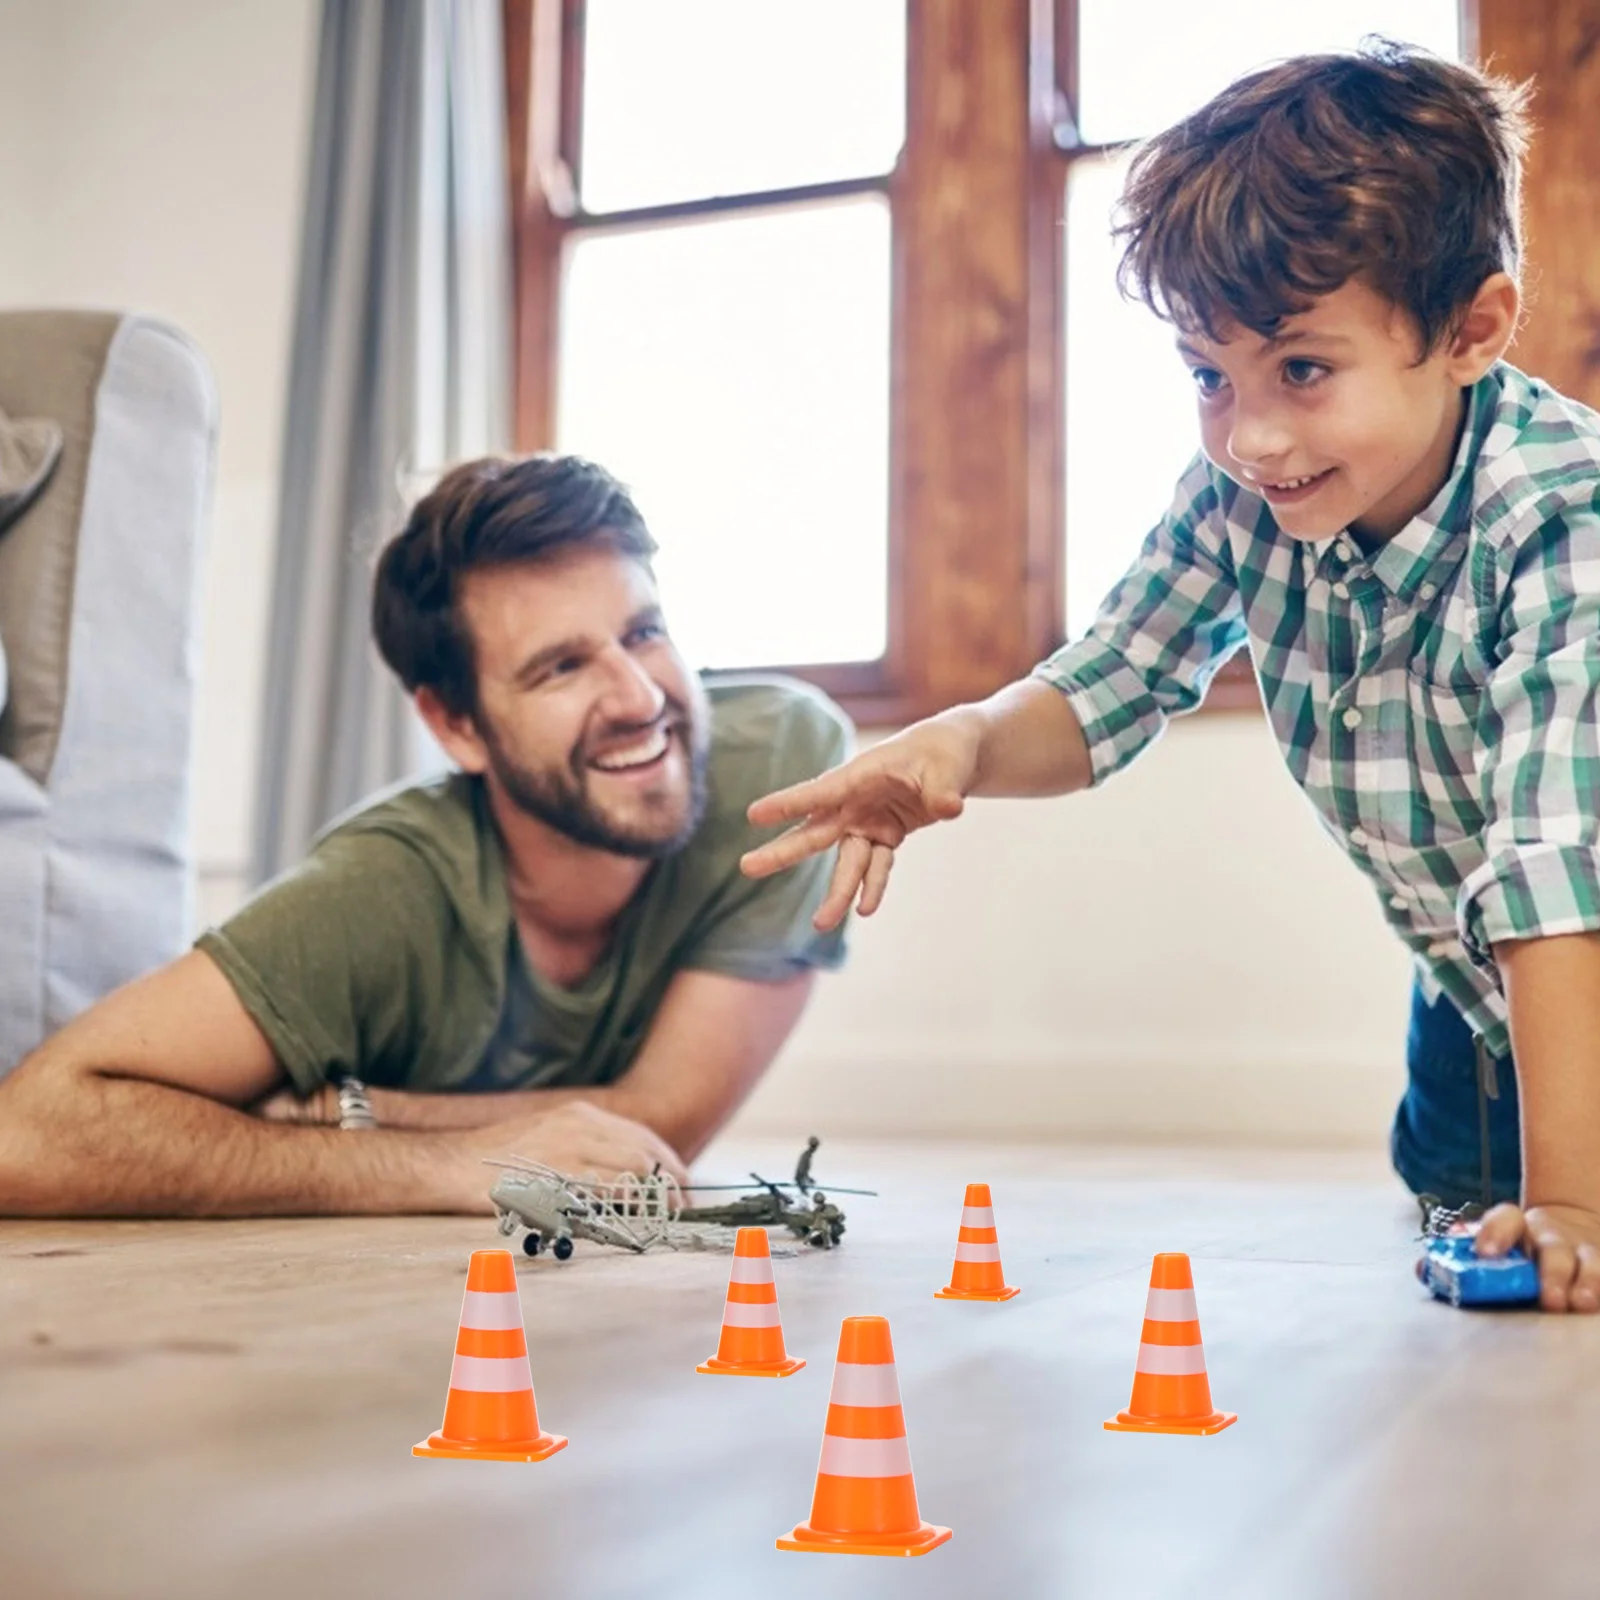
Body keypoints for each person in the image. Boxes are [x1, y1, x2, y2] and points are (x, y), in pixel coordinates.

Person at [742, 43, 1600, 1313]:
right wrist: (963, 742)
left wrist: (1574, 1199)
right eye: (1210, 376)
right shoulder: (1246, 497)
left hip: (1568, 939)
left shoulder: (1560, 514)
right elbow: (1111, 683)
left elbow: (1553, 868)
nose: (1249, 436)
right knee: (1462, 1236)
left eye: (1302, 369)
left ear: (1470, 328)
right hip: (1479, 1000)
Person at [0, 454, 851, 1216]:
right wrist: (442, 1165)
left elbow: (663, 1127)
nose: (638, 698)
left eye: (643, 632)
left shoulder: (780, 771)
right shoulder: (379, 893)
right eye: (562, 666)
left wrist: (347, 1112)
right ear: (456, 726)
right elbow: (26, 1135)